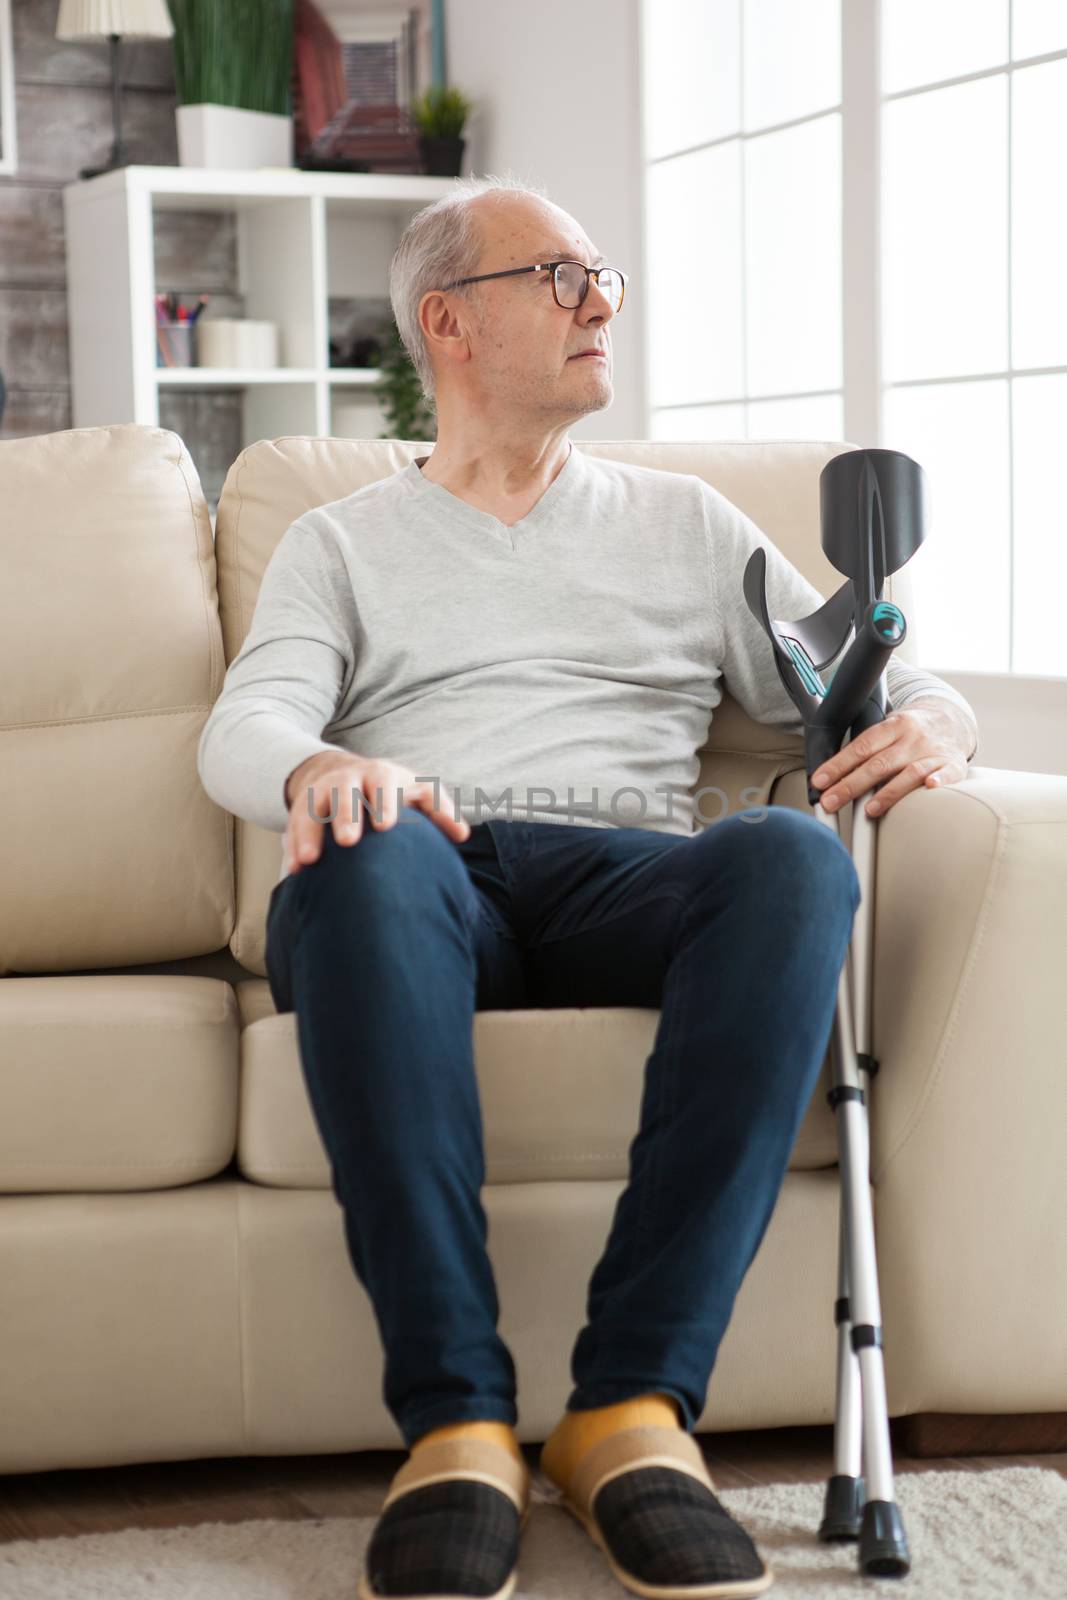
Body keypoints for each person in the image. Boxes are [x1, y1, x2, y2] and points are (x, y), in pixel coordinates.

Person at [197, 173, 979, 1600]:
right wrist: (323, 773)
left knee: (792, 853)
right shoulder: (341, 543)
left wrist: (934, 721)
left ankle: (629, 1412)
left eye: (603, 276)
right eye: (558, 278)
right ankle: (456, 1425)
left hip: (633, 878)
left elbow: (866, 669)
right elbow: (244, 728)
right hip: (423, 873)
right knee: (367, 854)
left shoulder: (685, 524)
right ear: (448, 323)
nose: (599, 303)